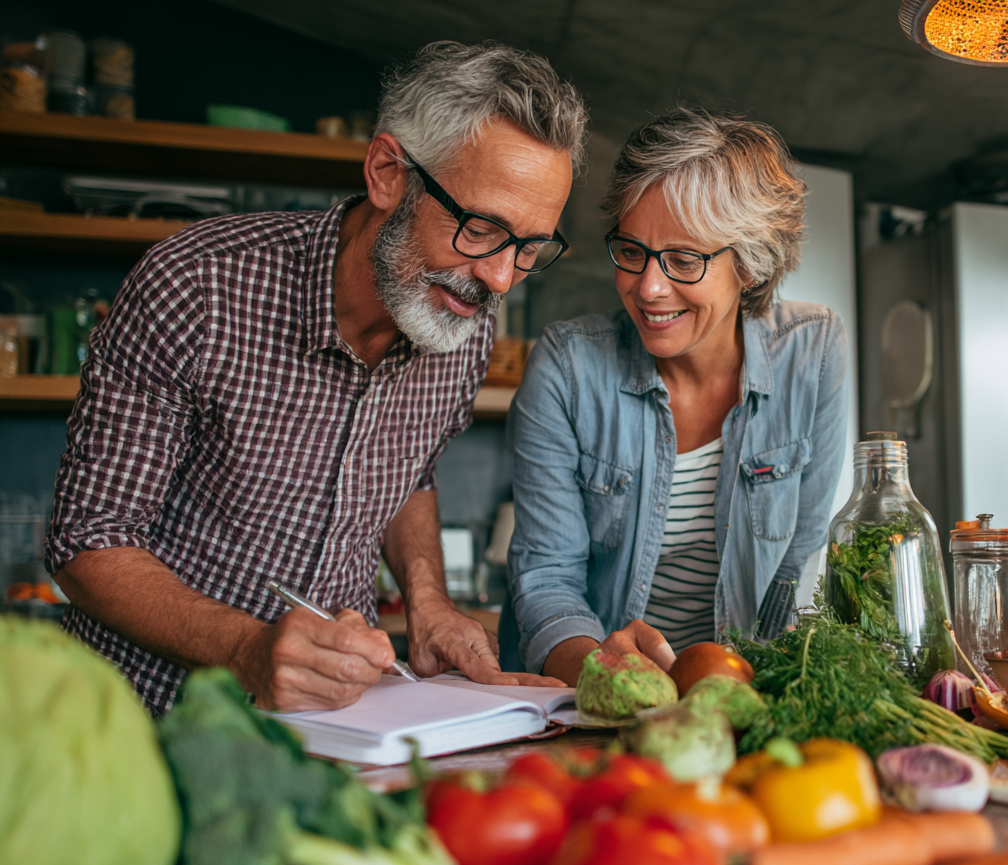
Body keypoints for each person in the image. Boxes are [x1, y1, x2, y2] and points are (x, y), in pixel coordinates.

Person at [45, 41, 588, 715]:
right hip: (140, 724)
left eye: (530, 247)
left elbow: (408, 470)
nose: (501, 278)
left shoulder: (460, 323)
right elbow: (88, 542)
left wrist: (429, 602)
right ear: (389, 173)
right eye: (481, 229)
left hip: (336, 732)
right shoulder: (195, 286)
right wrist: (248, 649)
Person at [500, 107, 848, 685]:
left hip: (736, 692)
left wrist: (753, 696)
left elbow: (794, 569)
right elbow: (547, 579)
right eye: (631, 251)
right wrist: (608, 676)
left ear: (752, 265)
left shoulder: (813, 354)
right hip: (586, 699)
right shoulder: (567, 366)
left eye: (684, 259)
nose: (648, 287)